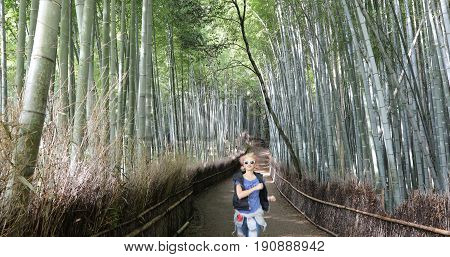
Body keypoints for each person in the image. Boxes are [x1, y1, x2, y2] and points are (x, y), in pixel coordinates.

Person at [232, 152, 276, 237]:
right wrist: (255, 188)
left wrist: (269, 198)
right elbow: (240, 195)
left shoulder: (259, 179)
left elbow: (258, 196)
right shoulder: (239, 179)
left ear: (255, 165)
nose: (249, 164)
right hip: (242, 214)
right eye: (246, 162)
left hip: (256, 214)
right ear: (243, 165)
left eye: (252, 162)